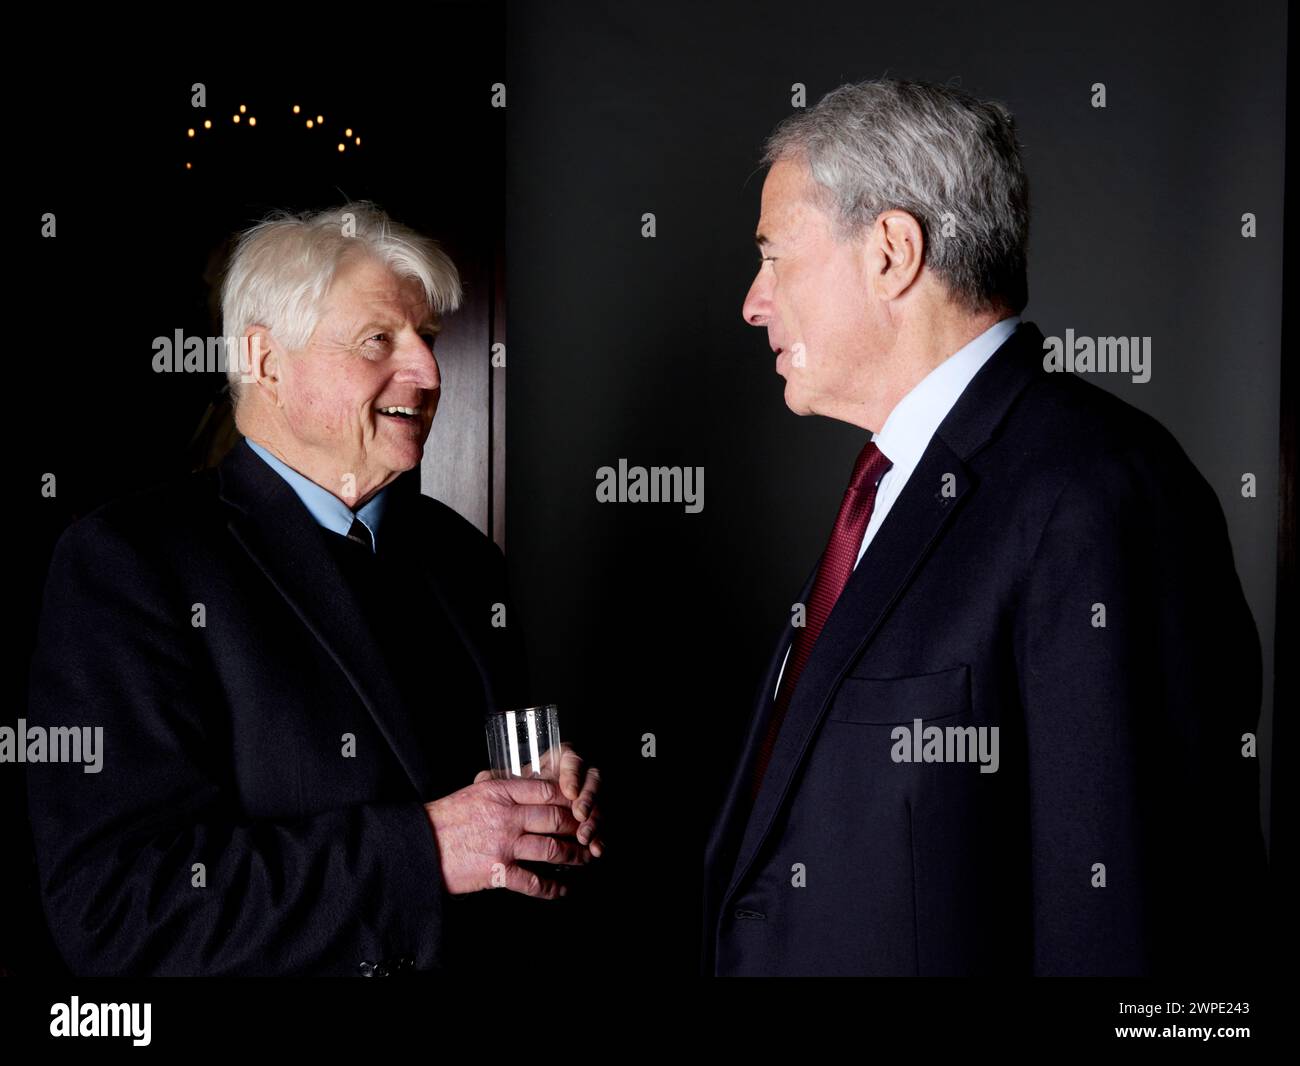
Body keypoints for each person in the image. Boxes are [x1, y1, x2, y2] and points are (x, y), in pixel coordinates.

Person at [702, 79, 1265, 976]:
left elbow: (1133, 924)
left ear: (891, 250)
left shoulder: (1100, 493)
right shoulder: (890, 486)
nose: (752, 301)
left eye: (774, 257)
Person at [25, 203, 603, 976]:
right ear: (265, 360)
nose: (430, 373)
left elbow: (501, 832)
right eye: (379, 342)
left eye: (426, 340)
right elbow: (121, 908)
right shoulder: (130, 563)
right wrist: (426, 851)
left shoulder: (467, 562)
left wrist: (554, 809)